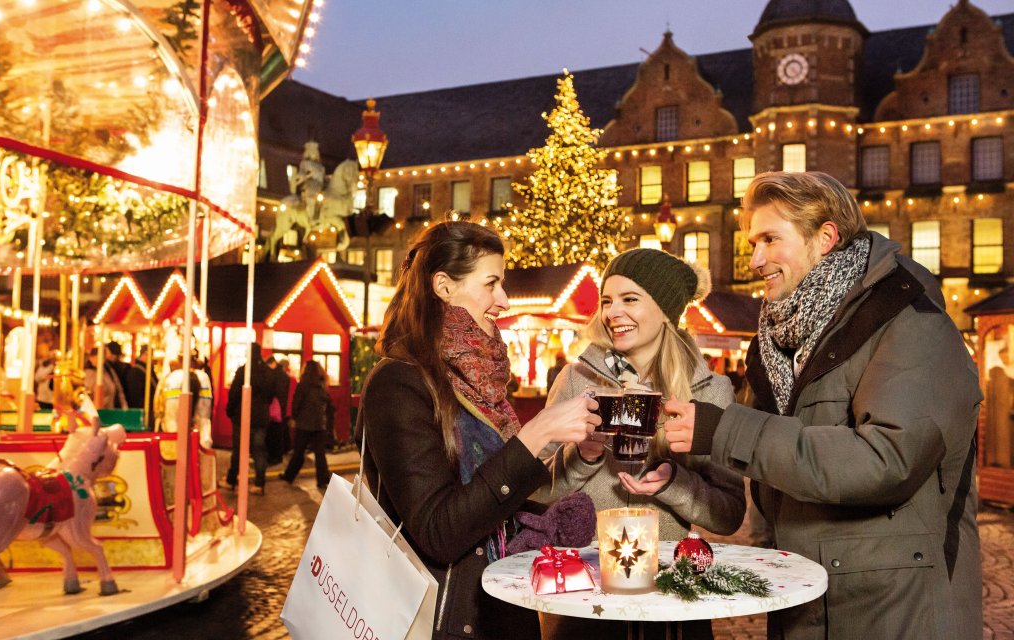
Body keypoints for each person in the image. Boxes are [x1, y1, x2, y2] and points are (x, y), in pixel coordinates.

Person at [662, 171, 981, 640]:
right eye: (752, 242)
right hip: (807, 596)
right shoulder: (776, 342)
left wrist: (727, 431)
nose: (755, 259)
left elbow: (887, 460)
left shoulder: (906, 320)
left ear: (826, 236)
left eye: (771, 239)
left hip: (895, 606)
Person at [357, 221, 599, 640]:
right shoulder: (399, 383)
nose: (503, 299)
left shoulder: (481, 382)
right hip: (445, 621)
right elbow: (439, 530)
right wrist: (534, 437)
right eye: (491, 284)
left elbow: (492, 505)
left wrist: (548, 519)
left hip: (502, 611)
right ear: (444, 286)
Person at [540, 248, 744, 640]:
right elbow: (533, 492)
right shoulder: (576, 379)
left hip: (670, 603)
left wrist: (674, 483)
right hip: (585, 600)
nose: (612, 312)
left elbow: (730, 513)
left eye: (630, 299)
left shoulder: (711, 391)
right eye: (607, 301)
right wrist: (581, 457)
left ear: (666, 309)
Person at [221, 343, 277, 495]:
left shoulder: (243, 371)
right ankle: (259, 483)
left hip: (242, 416)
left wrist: (230, 411)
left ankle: (231, 480)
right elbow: (271, 396)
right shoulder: (268, 372)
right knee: (259, 450)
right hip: (261, 418)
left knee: (239, 450)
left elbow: (234, 394)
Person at [280, 360, 333, 488]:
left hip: (304, 425)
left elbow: (296, 403)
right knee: (319, 454)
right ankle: (322, 479)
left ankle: (289, 475)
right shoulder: (322, 385)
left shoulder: (303, 385)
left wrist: (294, 417)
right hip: (319, 425)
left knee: (298, 452)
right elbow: (328, 404)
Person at [265, 355, 291, 465]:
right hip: (281, 408)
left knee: (274, 434)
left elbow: (273, 392)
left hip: (275, 409)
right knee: (279, 433)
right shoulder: (284, 375)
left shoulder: (275, 375)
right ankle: (279, 454)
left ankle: (275, 456)